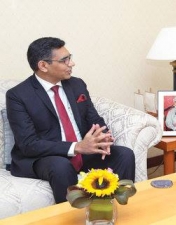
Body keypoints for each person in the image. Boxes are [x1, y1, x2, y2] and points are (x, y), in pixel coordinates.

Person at [6, 37, 135, 204]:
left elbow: (93, 118)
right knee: (61, 166)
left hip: (82, 152)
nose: (71, 63)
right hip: (44, 156)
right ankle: (71, 219)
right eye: (64, 60)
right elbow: (28, 144)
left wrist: (103, 136)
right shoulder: (18, 95)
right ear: (43, 65)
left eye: (70, 57)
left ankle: (116, 210)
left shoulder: (76, 84)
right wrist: (77, 147)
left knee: (124, 154)